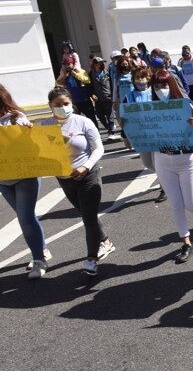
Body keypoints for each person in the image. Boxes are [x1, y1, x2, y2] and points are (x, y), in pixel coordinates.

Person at [149, 69, 193, 263]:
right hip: (163, 159)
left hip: (186, 159)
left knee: (192, 204)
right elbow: (141, 131)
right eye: (156, 86)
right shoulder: (150, 109)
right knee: (176, 205)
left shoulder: (186, 105)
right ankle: (186, 242)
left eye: (164, 85)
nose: (161, 90)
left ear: (171, 85)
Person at [47, 87, 115, 276]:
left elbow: (98, 148)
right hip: (64, 179)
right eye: (57, 105)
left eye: (66, 104)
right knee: (87, 215)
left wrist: (86, 166)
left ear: (72, 103)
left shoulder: (82, 122)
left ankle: (91, 259)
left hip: (87, 176)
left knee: (89, 218)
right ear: (50, 107)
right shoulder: (45, 126)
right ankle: (106, 242)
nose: (62, 108)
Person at [0, 85, 51, 279]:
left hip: (24, 176)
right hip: (3, 179)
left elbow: (33, 144)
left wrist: (29, 130)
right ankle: (43, 248)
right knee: (26, 216)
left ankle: (39, 259)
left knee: (25, 217)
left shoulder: (15, 117)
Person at [89, 57, 117, 139]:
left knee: (110, 115)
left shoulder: (107, 72)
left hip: (108, 96)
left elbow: (112, 84)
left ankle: (111, 132)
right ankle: (109, 127)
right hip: (98, 98)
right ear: (95, 64)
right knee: (100, 115)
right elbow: (89, 86)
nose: (102, 64)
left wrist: (113, 94)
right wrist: (92, 94)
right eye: (99, 63)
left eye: (102, 62)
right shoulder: (91, 74)